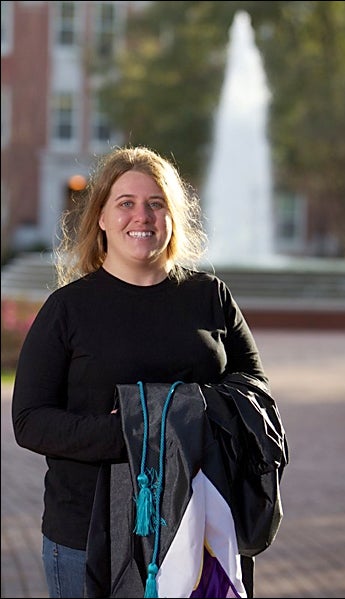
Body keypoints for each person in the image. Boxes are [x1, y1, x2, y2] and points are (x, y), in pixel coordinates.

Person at [12, 145, 287, 599]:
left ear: (172, 216)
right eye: (126, 203)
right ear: (101, 217)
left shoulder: (210, 297)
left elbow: (256, 393)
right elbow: (30, 420)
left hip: (200, 530)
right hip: (86, 536)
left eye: (156, 204)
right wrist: (140, 434)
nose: (142, 216)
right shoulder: (68, 309)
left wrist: (181, 420)